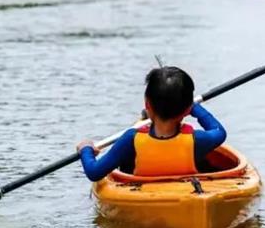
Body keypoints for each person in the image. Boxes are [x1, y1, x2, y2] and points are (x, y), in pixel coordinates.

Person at [76, 67, 226, 180]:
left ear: (147, 104)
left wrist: (86, 149)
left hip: (143, 194)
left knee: (125, 163)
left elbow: (94, 172)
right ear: (187, 110)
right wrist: (195, 108)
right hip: (185, 192)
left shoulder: (131, 139)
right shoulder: (197, 140)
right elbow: (219, 131)